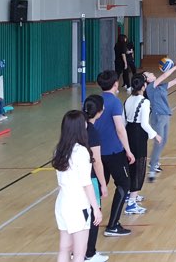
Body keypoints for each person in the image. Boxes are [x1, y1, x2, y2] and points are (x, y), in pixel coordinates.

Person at [53, 110, 101, 262]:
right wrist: (96, 209)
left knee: (64, 247)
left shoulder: (59, 150)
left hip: (62, 202)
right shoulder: (81, 152)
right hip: (78, 204)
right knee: (79, 253)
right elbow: (86, 184)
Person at [94, 70, 135, 237]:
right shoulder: (115, 102)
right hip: (114, 152)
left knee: (97, 187)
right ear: (116, 84)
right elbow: (120, 129)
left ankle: (91, 221)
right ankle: (113, 225)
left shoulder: (94, 100)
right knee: (124, 184)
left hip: (96, 153)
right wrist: (128, 150)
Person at [146, 58, 176, 180]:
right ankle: (152, 168)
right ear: (147, 80)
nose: (152, 73)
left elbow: (174, 81)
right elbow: (164, 76)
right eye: (149, 74)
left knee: (164, 141)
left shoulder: (161, 87)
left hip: (166, 116)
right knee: (159, 142)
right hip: (157, 117)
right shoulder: (150, 88)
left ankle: (154, 161)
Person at [124, 74, 162, 215]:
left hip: (129, 132)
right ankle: (131, 203)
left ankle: (130, 194)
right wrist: (155, 135)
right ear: (144, 86)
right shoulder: (144, 102)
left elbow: (123, 120)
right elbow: (144, 124)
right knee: (139, 167)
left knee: (131, 164)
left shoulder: (128, 100)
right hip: (139, 135)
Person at [82, 95, 110, 262]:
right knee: (94, 215)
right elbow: (97, 162)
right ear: (99, 111)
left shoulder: (77, 127)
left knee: (81, 216)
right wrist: (103, 184)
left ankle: (78, 251)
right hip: (90, 179)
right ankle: (89, 253)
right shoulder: (92, 132)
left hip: (76, 180)